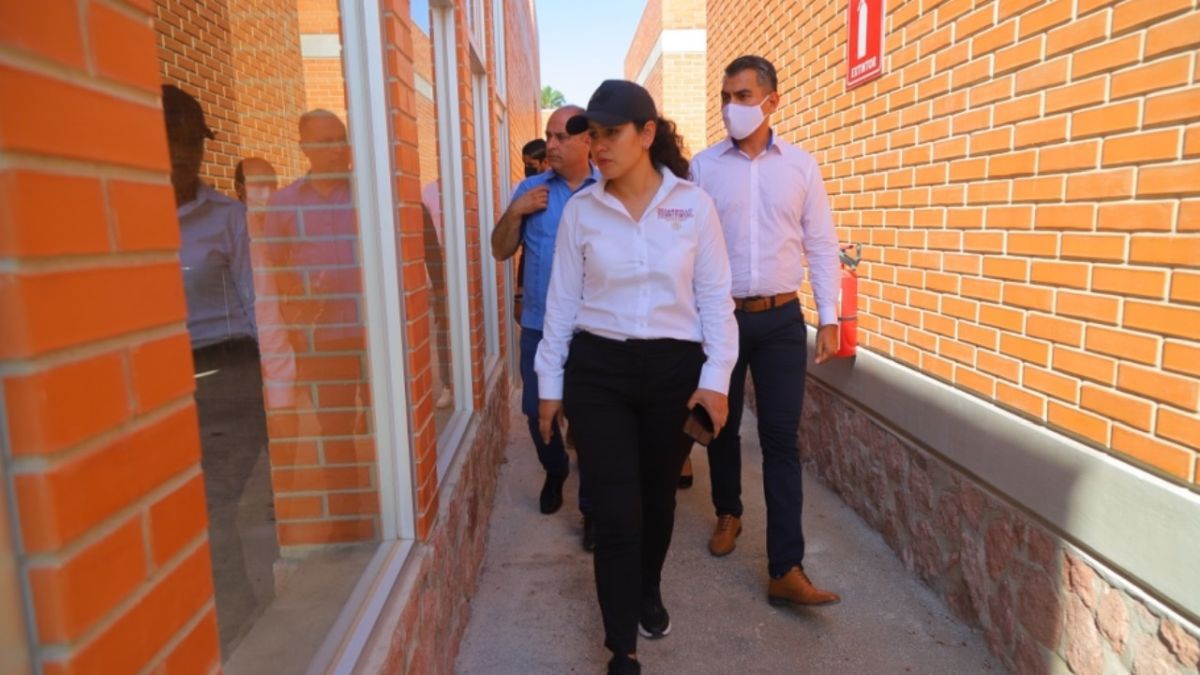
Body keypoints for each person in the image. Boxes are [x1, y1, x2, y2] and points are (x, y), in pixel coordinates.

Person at [535, 80, 738, 675]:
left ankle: (647, 586)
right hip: (598, 373)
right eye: (592, 135)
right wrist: (549, 386)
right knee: (616, 511)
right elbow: (560, 304)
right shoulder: (581, 210)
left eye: (610, 133)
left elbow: (715, 301)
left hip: (674, 372)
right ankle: (620, 647)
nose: (597, 146)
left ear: (647, 134)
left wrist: (716, 379)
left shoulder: (693, 206)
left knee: (657, 501)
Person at [689, 55, 842, 607]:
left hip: (781, 321)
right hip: (722, 318)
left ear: (772, 101)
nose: (731, 107)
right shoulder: (703, 168)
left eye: (744, 96)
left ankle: (786, 567)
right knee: (722, 426)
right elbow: (688, 248)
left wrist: (830, 316)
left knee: (781, 439)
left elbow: (821, 243)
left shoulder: (800, 167)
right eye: (725, 97)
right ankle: (728, 511)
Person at [491, 107, 598, 546]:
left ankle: (592, 509)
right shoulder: (530, 191)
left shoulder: (607, 189)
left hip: (592, 330)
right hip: (538, 327)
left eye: (559, 137)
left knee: (592, 422)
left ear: (587, 140)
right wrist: (515, 212)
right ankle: (555, 471)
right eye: (548, 136)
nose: (550, 145)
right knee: (538, 413)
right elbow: (500, 250)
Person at [513, 138, 552, 322]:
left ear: (546, 162)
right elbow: (526, 248)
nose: (527, 170)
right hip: (537, 297)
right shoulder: (525, 191)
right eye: (525, 164)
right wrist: (519, 294)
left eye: (531, 165)